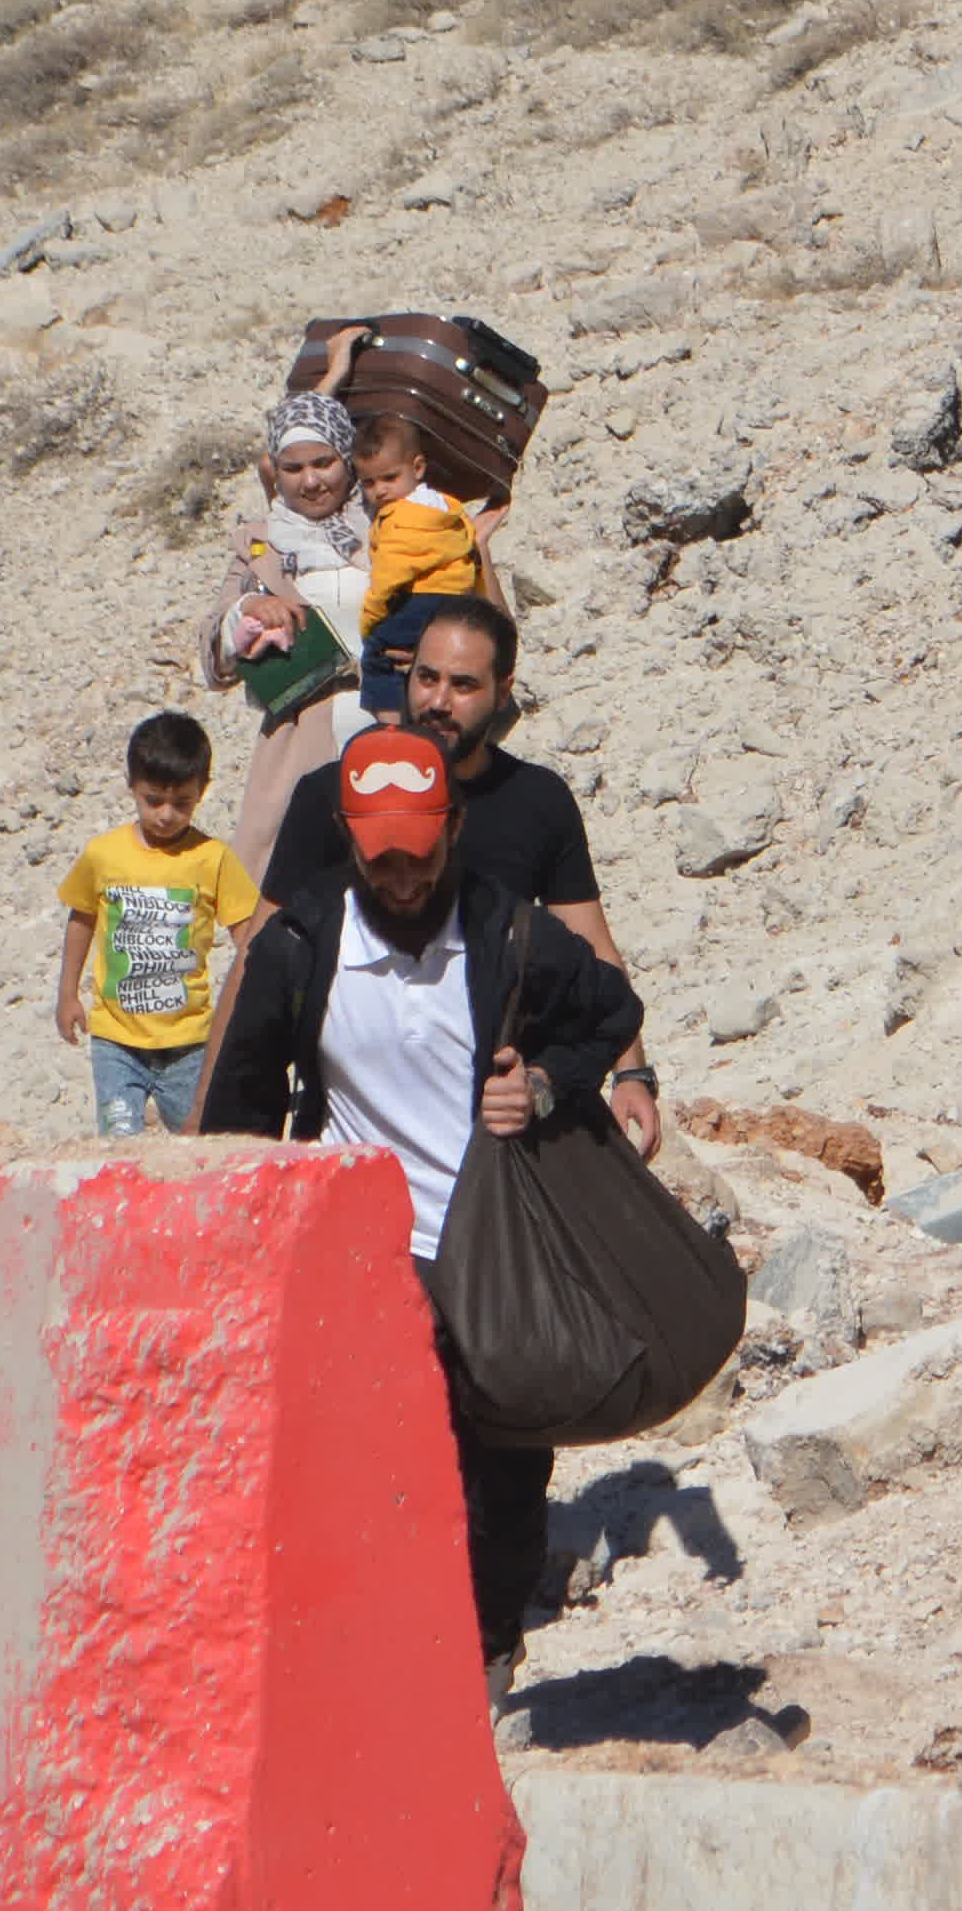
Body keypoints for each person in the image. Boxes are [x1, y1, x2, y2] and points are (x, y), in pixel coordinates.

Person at [199, 723, 659, 1703]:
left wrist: (539, 1083)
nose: (404, 878)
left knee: (503, 1462)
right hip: (361, 1250)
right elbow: (240, 1104)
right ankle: (383, 1654)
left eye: (421, 852)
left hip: (494, 1243)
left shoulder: (508, 931)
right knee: (371, 1462)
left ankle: (489, 1648)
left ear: (452, 827)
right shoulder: (301, 945)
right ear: (348, 838)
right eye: (382, 859)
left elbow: (610, 1012)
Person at [245, 595, 616, 972]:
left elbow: (593, 953)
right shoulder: (331, 794)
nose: (438, 701)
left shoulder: (538, 800)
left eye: (463, 685)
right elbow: (261, 952)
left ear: (503, 692)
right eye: (427, 677)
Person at [55, 709, 260, 1136]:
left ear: (202, 792)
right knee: (119, 1145)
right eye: (154, 800)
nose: (166, 815)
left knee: (199, 1143)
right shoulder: (103, 855)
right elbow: (82, 919)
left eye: (181, 803)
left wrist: (254, 1011)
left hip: (189, 1043)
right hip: (116, 1042)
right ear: (132, 786)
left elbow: (249, 937)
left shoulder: (214, 858)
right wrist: (67, 994)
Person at [214, 391, 380, 859]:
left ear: (346, 456)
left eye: (323, 462)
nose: (310, 481)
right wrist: (247, 611)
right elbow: (212, 653)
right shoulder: (261, 542)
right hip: (304, 737)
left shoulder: (389, 521)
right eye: (293, 469)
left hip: (395, 725)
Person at [350, 405, 491, 729]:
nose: (380, 490)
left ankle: (390, 727)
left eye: (389, 477)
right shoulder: (446, 508)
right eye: (368, 483)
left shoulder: (400, 519)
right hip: (455, 600)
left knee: (378, 658)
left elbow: (389, 575)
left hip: (419, 600)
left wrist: (370, 620)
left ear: (418, 467)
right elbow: (467, 547)